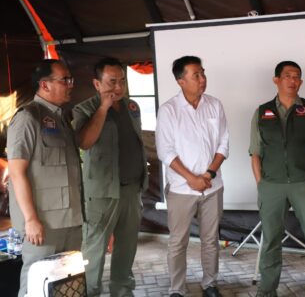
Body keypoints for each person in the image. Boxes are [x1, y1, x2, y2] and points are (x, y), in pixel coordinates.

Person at [249, 61, 305, 297]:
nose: (292, 80)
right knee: (270, 240)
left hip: (304, 184)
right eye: (287, 76)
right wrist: (261, 184)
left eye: (297, 76)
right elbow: (254, 152)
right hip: (271, 185)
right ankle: (266, 291)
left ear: (301, 82)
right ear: (276, 80)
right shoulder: (262, 111)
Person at [72, 57, 148, 296]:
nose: (118, 88)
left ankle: (123, 291)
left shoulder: (131, 106)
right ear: (97, 84)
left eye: (122, 81)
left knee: (126, 248)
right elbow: (84, 142)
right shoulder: (84, 109)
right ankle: (91, 292)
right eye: (111, 82)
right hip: (102, 194)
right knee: (94, 250)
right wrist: (103, 108)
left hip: (131, 190)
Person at [7, 59, 83, 297]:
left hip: (70, 220)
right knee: (36, 282)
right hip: (43, 224)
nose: (70, 85)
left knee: (65, 283)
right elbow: (16, 172)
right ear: (45, 85)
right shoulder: (28, 117)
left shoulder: (61, 118)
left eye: (70, 79)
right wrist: (30, 219)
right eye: (64, 80)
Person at [155, 56, 229, 297]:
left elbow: (223, 143)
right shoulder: (169, 110)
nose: (202, 79)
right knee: (178, 242)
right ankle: (177, 289)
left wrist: (208, 173)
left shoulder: (214, 105)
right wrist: (191, 178)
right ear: (180, 81)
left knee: (210, 240)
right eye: (196, 75)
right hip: (181, 189)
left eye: (203, 73)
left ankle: (210, 284)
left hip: (212, 186)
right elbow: (165, 151)